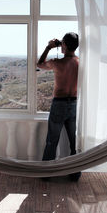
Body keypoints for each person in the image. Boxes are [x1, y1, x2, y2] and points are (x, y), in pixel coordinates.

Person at [37, 32, 81, 181]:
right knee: (73, 142)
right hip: (74, 103)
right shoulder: (80, 62)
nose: (61, 46)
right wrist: (60, 44)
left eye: (62, 43)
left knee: (52, 141)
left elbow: (39, 64)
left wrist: (49, 47)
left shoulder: (57, 63)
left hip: (59, 104)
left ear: (66, 45)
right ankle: (75, 174)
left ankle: (46, 174)